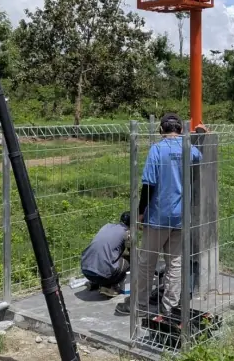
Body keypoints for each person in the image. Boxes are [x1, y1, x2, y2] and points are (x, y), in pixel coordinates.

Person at [115, 113, 203, 321]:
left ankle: (141, 306)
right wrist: (196, 135)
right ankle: (169, 308)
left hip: (158, 216)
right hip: (181, 216)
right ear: (180, 130)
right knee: (175, 263)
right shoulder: (188, 148)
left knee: (147, 263)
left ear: (161, 131)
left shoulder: (157, 150)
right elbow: (199, 156)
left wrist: (140, 212)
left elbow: (148, 185)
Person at [80, 211, 131, 297]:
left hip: (85, 270)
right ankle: (108, 287)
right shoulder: (127, 232)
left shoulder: (107, 226)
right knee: (128, 261)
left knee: (106, 256)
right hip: (102, 276)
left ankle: (95, 283)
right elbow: (132, 252)